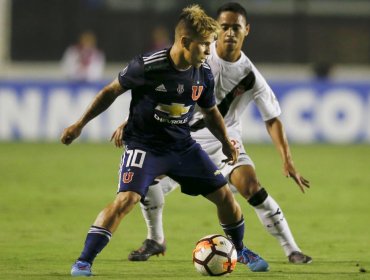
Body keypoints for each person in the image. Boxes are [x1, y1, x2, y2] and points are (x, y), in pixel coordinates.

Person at [61, 5, 268, 277]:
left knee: (225, 197)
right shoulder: (148, 66)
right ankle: (84, 260)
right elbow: (110, 92)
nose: (209, 51)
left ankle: (239, 249)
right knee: (126, 200)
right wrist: (79, 125)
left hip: (183, 147)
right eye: (205, 45)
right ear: (184, 42)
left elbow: (211, 113)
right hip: (145, 147)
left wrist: (226, 141)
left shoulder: (202, 72)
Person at [112, 2, 312, 265]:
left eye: (236, 27)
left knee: (251, 186)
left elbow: (273, 119)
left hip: (224, 142)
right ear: (216, 29)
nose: (229, 33)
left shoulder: (250, 76)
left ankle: (292, 249)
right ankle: (155, 239)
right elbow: (160, 89)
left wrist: (287, 159)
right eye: (225, 27)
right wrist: (131, 121)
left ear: (246, 30)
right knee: (147, 181)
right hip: (180, 137)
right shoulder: (197, 55)